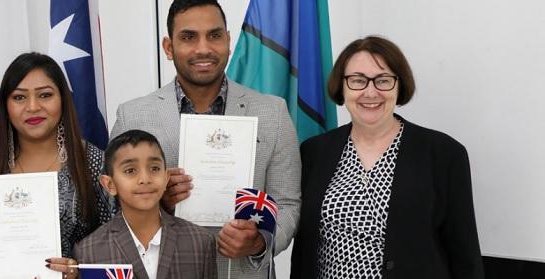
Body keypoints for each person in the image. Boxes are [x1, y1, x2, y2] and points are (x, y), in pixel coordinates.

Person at [110, 0, 300, 277]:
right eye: (188, 37)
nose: (203, 48)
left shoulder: (273, 113)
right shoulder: (133, 116)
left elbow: (288, 204)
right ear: (168, 47)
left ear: (228, 41)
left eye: (214, 35)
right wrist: (156, 202)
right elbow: (114, 205)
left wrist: (260, 242)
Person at [290, 35, 484, 278]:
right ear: (342, 86)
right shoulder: (314, 152)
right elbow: (304, 251)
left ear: (399, 85)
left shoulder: (444, 154)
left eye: (383, 80)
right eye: (358, 80)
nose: (370, 92)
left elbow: (464, 255)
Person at [0, 52, 115, 278]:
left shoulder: (95, 162)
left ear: (63, 100)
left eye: (45, 95)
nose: (32, 107)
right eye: (19, 97)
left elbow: (117, 243)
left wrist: (79, 271)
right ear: (5, 106)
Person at [75, 129, 217, 279]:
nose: (145, 179)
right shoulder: (88, 251)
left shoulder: (200, 242)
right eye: (130, 170)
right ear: (110, 184)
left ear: (166, 177)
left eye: (154, 168)